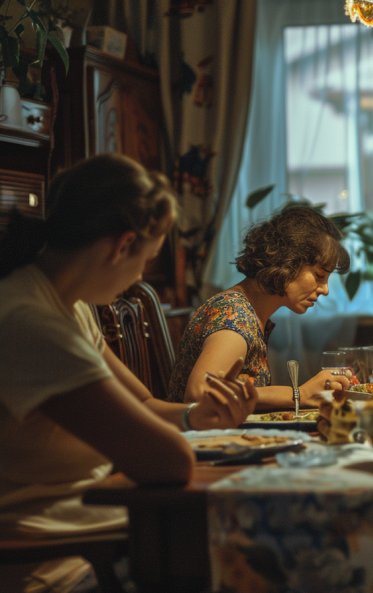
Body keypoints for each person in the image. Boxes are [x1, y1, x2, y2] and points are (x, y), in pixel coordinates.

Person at [0, 154, 257, 593]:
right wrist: (178, 434)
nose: (141, 278)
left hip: (102, 531)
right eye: (146, 260)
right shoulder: (28, 321)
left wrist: (197, 418)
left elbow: (143, 405)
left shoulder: (70, 305)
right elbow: (167, 461)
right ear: (122, 246)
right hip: (63, 562)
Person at [168, 205, 354, 409]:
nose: (325, 290)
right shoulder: (234, 314)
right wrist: (299, 395)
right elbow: (200, 394)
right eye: (319, 276)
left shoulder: (248, 311)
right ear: (287, 260)